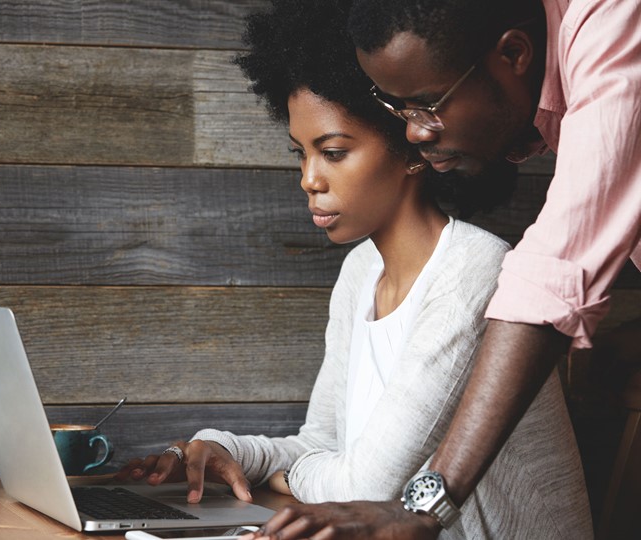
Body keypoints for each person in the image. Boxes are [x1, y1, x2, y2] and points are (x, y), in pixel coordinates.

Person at [117, 1, 592, 538]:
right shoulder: (361, 272)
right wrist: (223, 450)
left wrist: (283, 476)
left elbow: (364, 489)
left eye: (334, 152)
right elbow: (321, 444)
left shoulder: (474, 272)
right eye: (301, 153)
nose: (309, 180)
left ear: (412, 147)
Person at [249, 0, 641, 538]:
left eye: (428, 103)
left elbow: (558, 262)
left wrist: (423, 506)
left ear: (514, 54)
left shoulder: (615, 29)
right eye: (400, 109)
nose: (414, 133)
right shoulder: (361, 272)